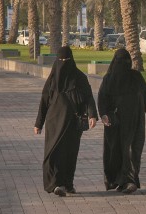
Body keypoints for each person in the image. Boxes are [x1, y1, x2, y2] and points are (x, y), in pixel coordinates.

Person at [34, 46, 98, 196]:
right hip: (53, 123)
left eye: (66, 60)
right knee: (53, 153)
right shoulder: (52, 80)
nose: (63, 63)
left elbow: (88, 97)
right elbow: (44, 101)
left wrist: (92, 115)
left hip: (72, 123)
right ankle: (55, 184)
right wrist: (38, 123)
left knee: (69, 154)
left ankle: (67, 183)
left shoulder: (80, 77)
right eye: (60, 60)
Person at [98, 48, 146, 194]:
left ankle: (129, 181)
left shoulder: (129, 77)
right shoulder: (112, 78)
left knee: (131, 150)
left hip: (129, 121)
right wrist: (104, 115)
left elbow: (145, 97)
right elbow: (102, 99)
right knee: (119, 151)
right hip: (118, 122)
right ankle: (119, 180)